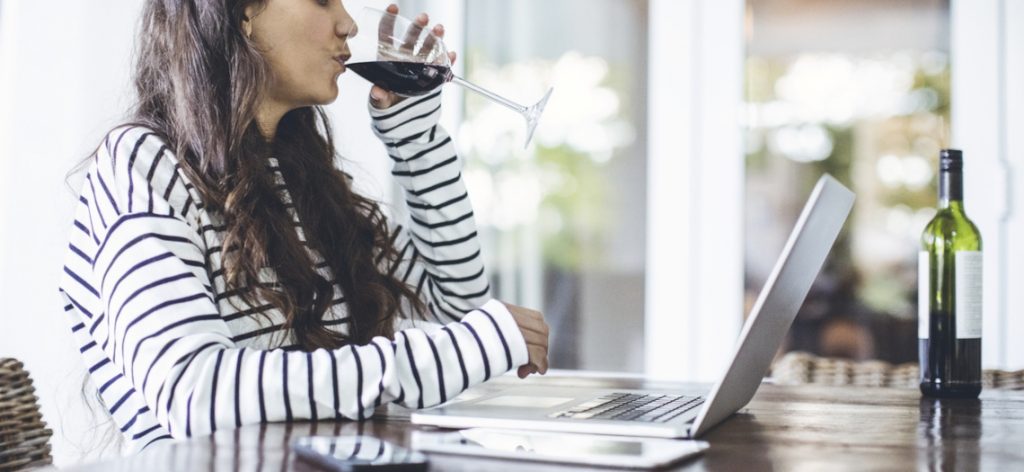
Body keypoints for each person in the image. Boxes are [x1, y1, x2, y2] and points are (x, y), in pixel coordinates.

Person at [58, 0, 549, 453]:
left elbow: (455, 309)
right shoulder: (143, 165)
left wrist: (415, 140)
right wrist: (450, 354)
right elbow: (194, 394)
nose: (349, 23)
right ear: (244, 13)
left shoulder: (304, 183)